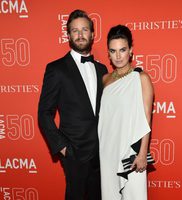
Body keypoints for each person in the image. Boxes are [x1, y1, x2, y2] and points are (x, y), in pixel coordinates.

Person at [38, 9, 107, 200]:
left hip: (102, 154)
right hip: (75, 153)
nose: (80, 34)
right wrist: (63, 148)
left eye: (84, 29)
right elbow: (44, 113)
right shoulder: (56, 69)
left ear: (92, 34)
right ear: (68, 35)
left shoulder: (102, 69)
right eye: (75, 30)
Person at [98, 25, 155, 200]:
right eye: (113, 51)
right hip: (107, 150)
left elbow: (146, 118)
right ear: (108, 53)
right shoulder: (105, 80)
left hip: (131, 151)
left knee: (134, 195)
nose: (118, 56)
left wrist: (143, 152)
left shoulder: (141, 78)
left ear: (130, 50)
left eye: (122, 50)